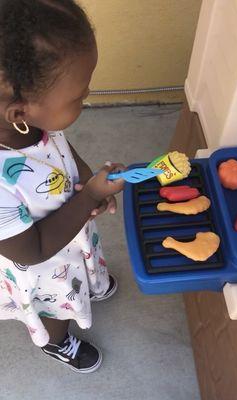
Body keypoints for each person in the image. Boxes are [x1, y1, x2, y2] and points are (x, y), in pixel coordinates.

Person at [0, 0, 125, 373]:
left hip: (69, 232)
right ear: (20, 112)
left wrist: (85, 182)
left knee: (82, 266)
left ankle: (91, 283)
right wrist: (88, 197)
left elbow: (59, 150)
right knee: (56, 304)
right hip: (39, 266)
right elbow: (33, 249)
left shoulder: (32, 123)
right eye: (79, 97)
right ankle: (57, 341)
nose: (86, 98)